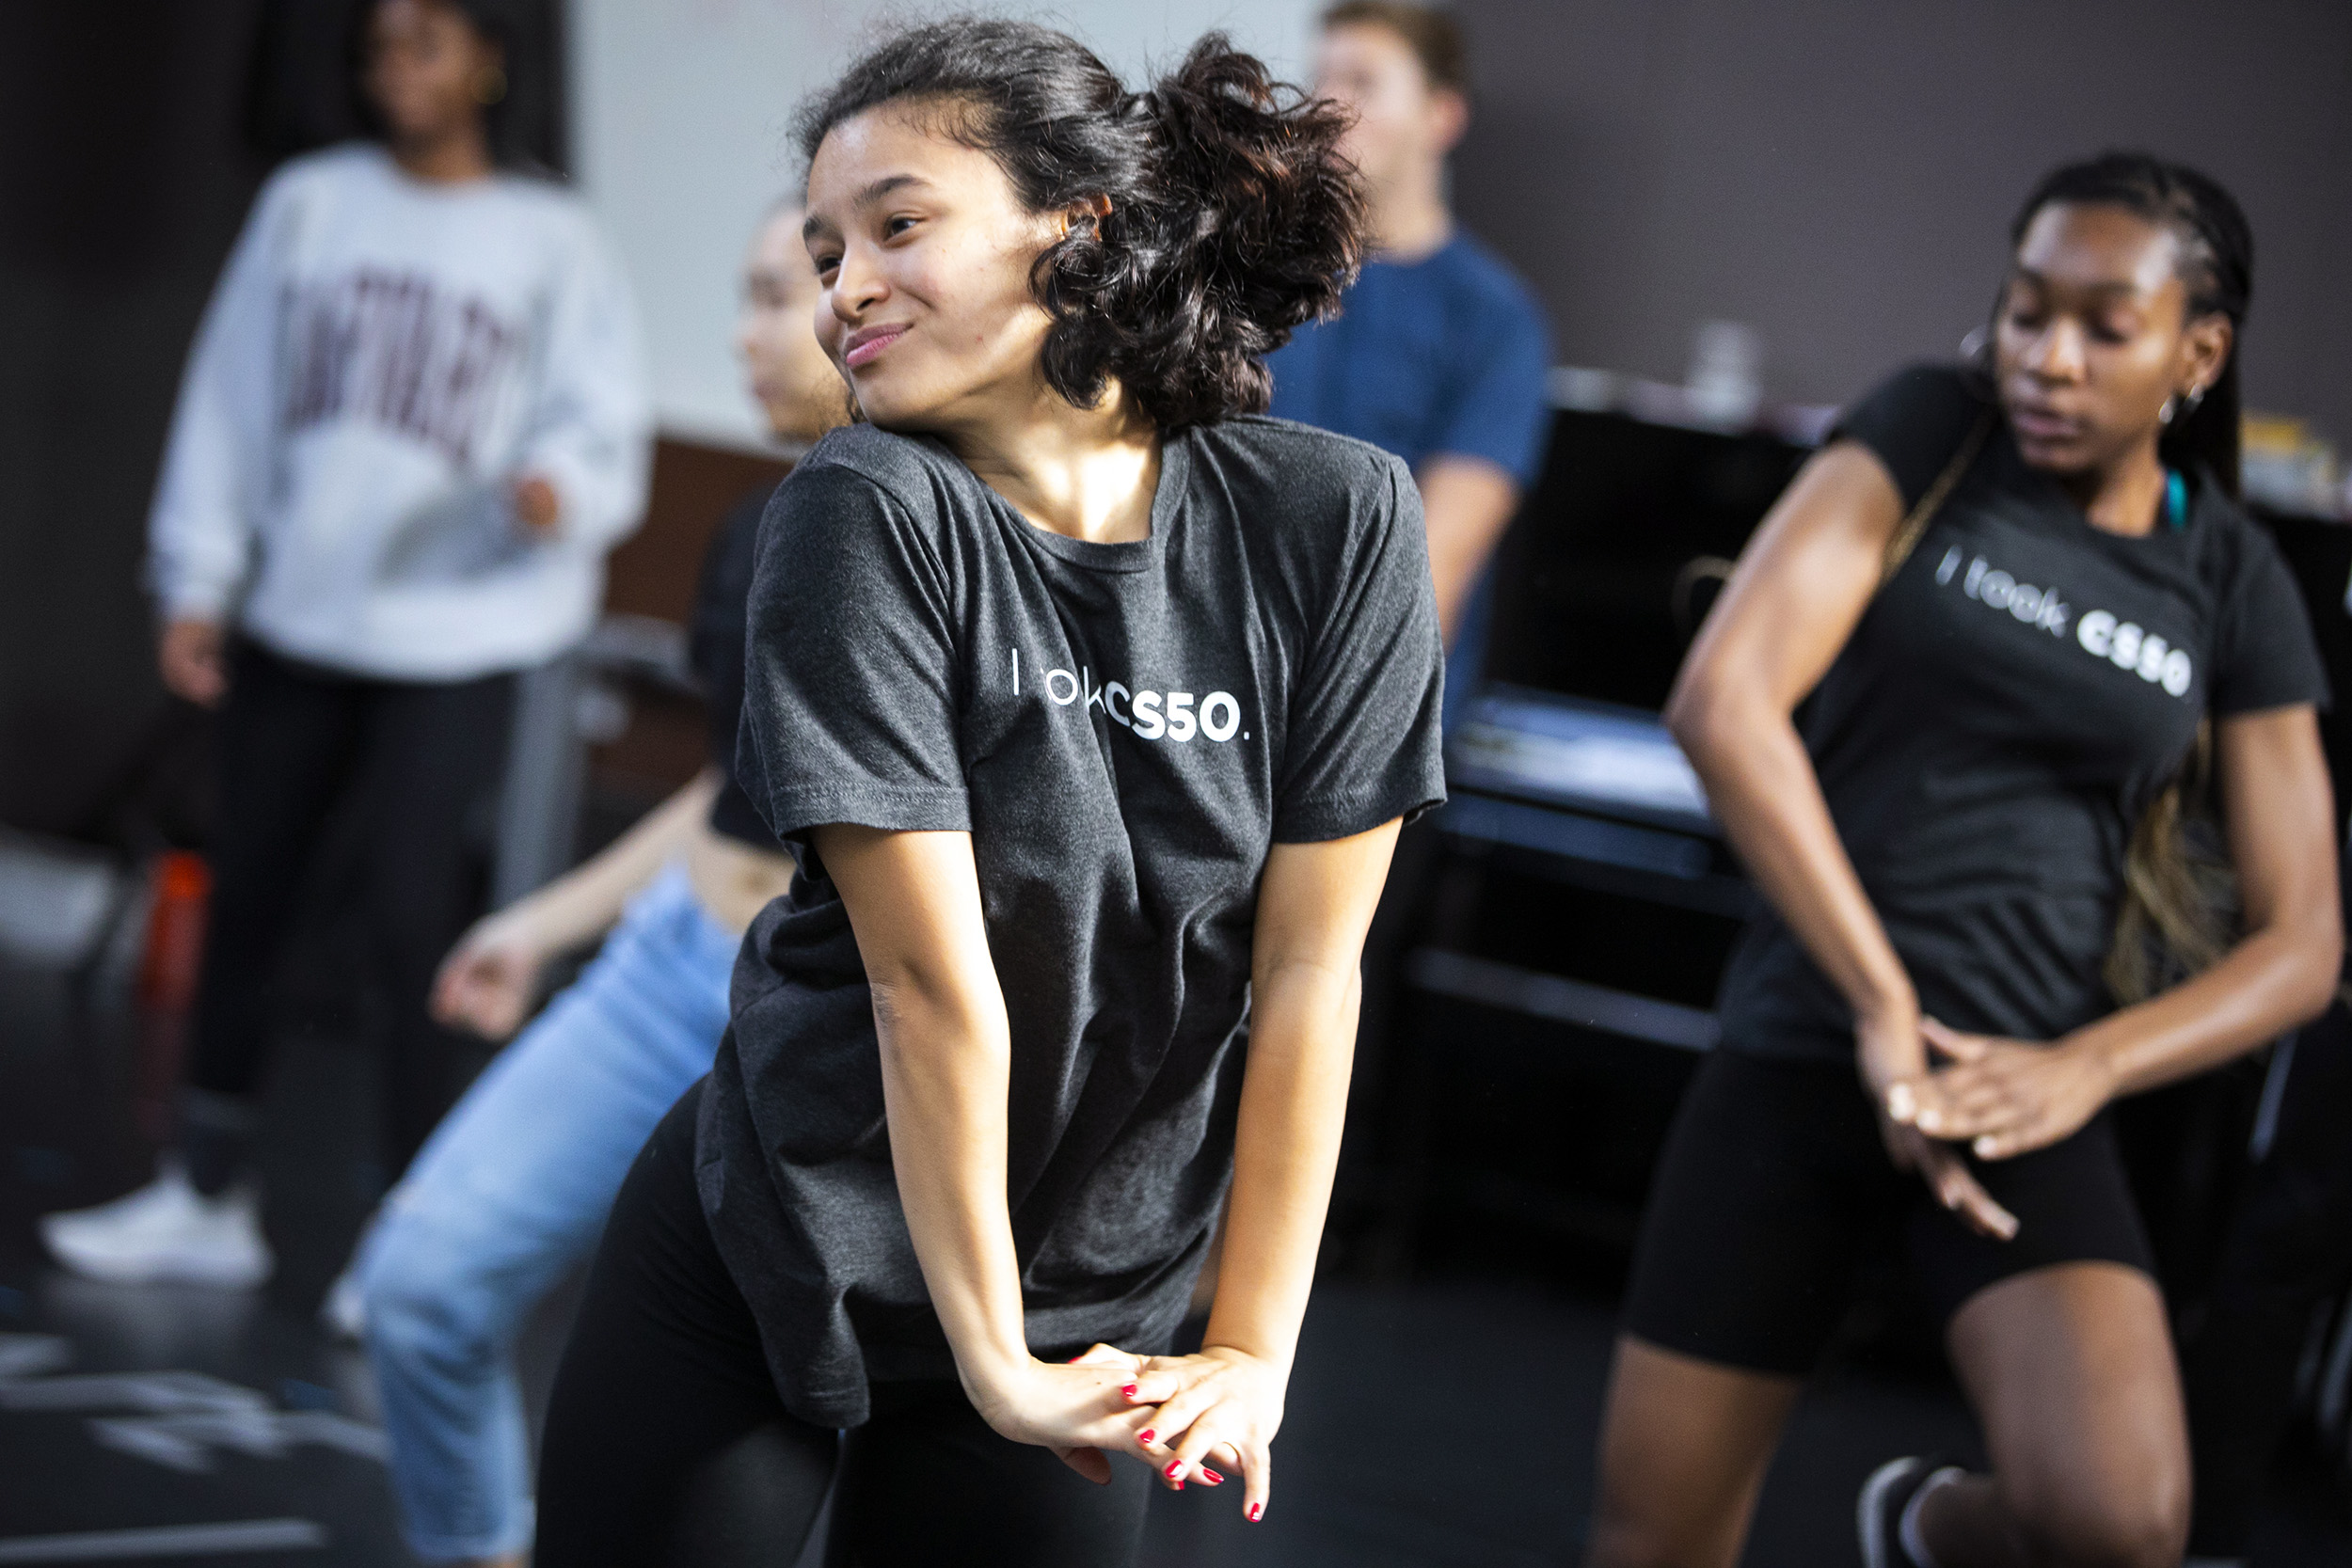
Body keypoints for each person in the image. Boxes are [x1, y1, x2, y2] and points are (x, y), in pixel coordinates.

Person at [531, 20, 1444, 1566]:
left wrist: (1251, 1351)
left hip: (1089, 1294)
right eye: (825, 253)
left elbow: (1305, 972)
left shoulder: (1331, 522)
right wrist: (992, 1360)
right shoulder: (864, 508)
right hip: (789, 1241)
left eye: (898, 226)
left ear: (1074, 229)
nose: (843, 292)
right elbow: (926, 982)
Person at [1589, 153, 2340, 1568]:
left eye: (2103, 326)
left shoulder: (2234, 578)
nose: (2046, 358)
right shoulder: (1932, 431)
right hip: (1811, 1041)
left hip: (2027, 1088)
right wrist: (1880, 1004)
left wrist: (2090, 1065)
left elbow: (2306, 943)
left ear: (2199, 350)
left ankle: (1924, 1528)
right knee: (1653, 1541)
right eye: (2024, 311)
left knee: (2122, 1521)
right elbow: (1726, 699)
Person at [40, 0, 649, 1289]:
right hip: (304, 618)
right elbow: (230, 399)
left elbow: (602, 435)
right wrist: (196, 576)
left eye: (422, 43)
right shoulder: (312, 201)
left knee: (410, 921)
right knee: (250, 899)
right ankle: (202, 1193)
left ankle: (408, 1237)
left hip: (463, 633)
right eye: (378, 48)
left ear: (488, 57)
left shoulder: (552, 234)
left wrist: (555, 490)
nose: (395, 72)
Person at [346, 199, 834, 1568]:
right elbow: (727, 789)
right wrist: (545, 923)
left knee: (762, 1442)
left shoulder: (952, 545)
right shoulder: (757, 525)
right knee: (422, 1285)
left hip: (810, 1019)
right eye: (742, 293)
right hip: (670, 961)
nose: (745, 332)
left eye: (773, 293)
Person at [1268, 0, 1550, 726]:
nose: (1328, 106)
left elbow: (1432, 569)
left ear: (1441, 116)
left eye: (1362, 82)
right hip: (1214, 704)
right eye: (1320, 78)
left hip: (1362, 728)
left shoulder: (1494, 320)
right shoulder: (1260, 278)